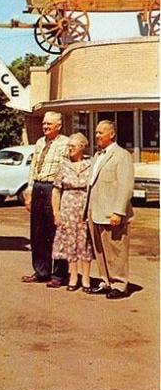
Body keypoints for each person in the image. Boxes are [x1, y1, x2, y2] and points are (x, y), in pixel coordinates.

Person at [85, 119, 134, 299]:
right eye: (96, 132)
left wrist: (118, 212)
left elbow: (125, 186)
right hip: (95, 211)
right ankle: (106, 281)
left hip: (112, 212)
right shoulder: (97, 156)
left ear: (112, 134)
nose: (97, 136)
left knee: (116, 250)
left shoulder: (122, 155)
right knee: (100, 250)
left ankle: (120, 285)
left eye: (101, 132)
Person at [21, 111, 69, 286]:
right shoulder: (40, 143)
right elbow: (33, 168)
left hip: (54, 189)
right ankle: (41, 271)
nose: (45, 127)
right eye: (43, 123)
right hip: (38, 187)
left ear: (58, 126)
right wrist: (29, 191)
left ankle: (59, 274)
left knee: (56, 233)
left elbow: (68, 168)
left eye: (49, 124)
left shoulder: (65, 144)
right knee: (38, 232)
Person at [51, 132, 94, 291]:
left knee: (85, 242)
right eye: (68, 146)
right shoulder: (63, 166)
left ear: (82, 147)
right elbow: (56, 191)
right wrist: (56, 212)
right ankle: (73, 276)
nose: (69, 149)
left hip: (85, 207)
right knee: (70, 241)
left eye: (73, 146)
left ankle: (86, 278)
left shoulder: (91, 164)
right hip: (68, 207)